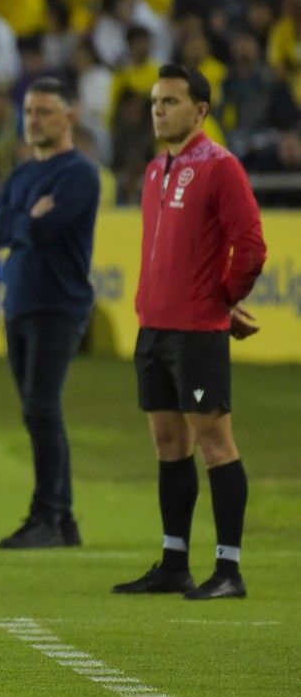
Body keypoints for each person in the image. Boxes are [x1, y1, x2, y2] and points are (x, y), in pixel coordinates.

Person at [113, 64, 267, 600]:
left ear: (200, 110)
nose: (159, 109)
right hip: (153, 328)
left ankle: (229, 570)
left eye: (171, 101)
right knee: (168, 442)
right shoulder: (157, 169)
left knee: (215, 443)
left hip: (197, 332)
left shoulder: (221, 167)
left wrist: (221, 301)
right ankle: (174, 561)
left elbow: (250, 248)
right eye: (156, 101)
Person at [0, 77, 100, 549]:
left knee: (41, 408)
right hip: (20, 303)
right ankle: (61, 519)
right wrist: (27, 220)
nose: (33, 120)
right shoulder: (24, 174)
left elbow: (46, 230)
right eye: (29, 112)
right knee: (38, 413)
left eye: (44, 112)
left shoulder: (79, 174)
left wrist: (25, 223)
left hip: (59, 304)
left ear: (69, 116)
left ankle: (48, 516)